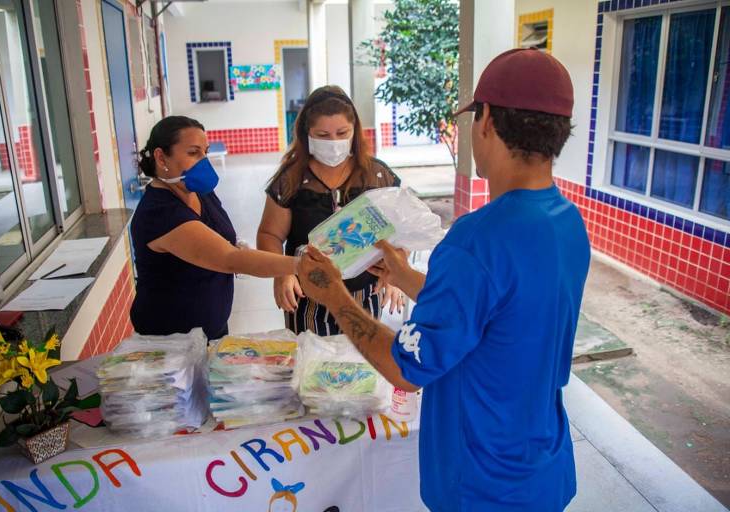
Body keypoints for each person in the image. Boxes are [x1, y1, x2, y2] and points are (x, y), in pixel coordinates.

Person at [297, 49, 590, 511]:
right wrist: (408, 277)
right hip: (540, 466)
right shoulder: (567, 221)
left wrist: (334, 296)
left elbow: (405, 370)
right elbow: (498, 313)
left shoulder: (476, 241)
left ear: (487, 120)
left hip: (480, 481)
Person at [130, 116, 300, 340]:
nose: (203, 162)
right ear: (161, 157)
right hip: (170, 340)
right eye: (193, 153)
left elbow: (222, 236)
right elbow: (228, 259)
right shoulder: (159, 213)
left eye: (205, 152)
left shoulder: (197, 192)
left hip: (211, 330)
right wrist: (301, 265)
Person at [257, 85, 404, 335]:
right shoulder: (291, 179)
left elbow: (400, 231)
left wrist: (398, 271)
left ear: (354, 132)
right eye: (322, 135)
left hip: (365, 295)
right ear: (307, 134)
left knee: (362, 365)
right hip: (307, 298)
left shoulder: (377, 175)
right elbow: (269, 235)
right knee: (310, 367)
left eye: (342, 133)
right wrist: (282, 273)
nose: (334, 142)